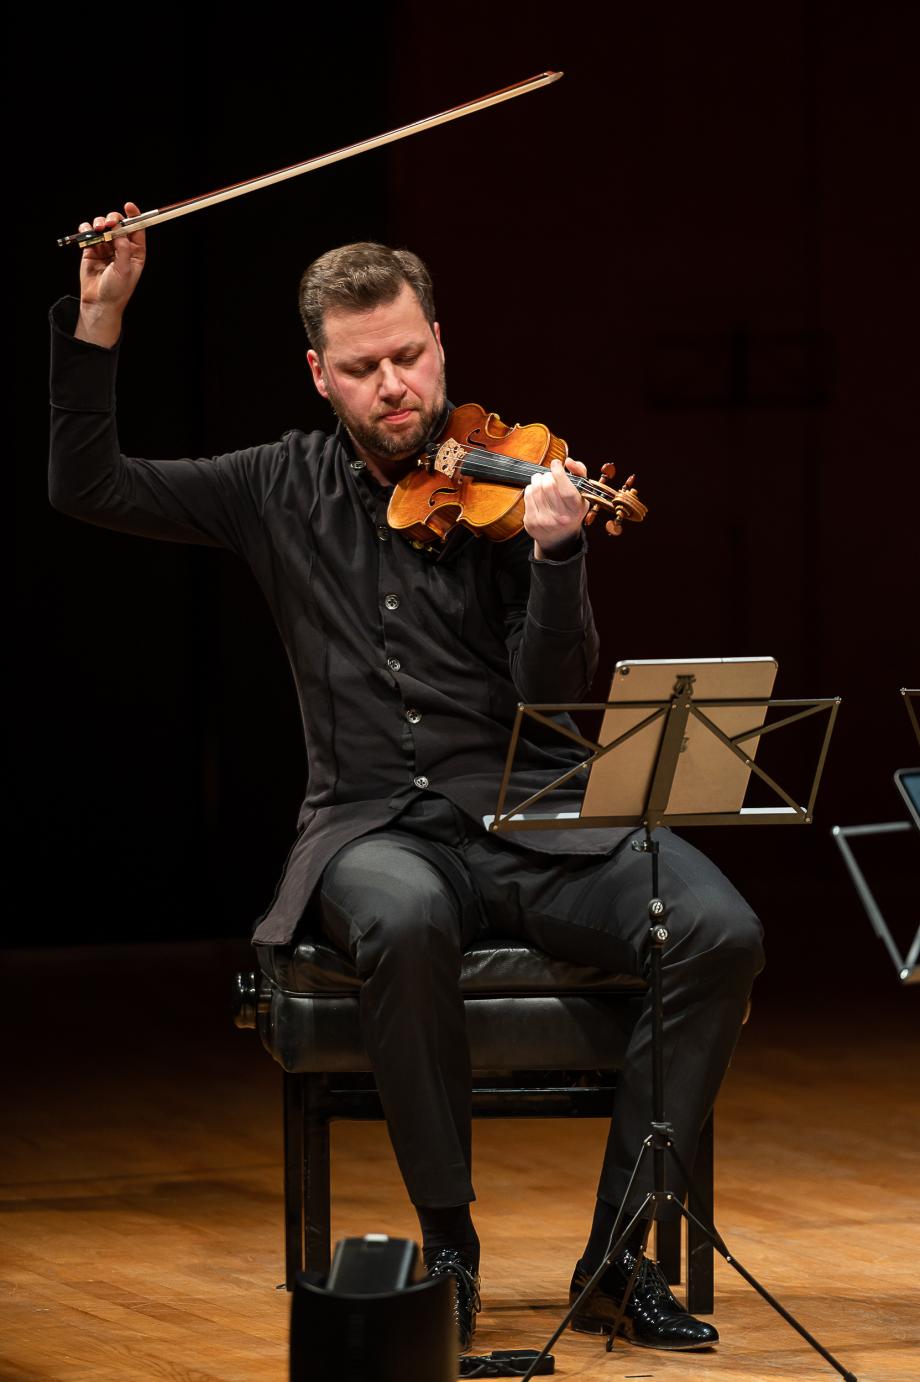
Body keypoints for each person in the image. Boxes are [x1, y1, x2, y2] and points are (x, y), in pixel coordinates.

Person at [49, 204, 764, 1355]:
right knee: (405, 910)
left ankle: (616, 1251)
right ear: (319, 375)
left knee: (719, 928)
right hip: (372, 827)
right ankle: (448, 1249)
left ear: (439, 338)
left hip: (533, 817)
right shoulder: (273, 487)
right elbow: (89, 483)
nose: (396, 385)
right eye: (364, 367)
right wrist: (99, 319)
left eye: (410, 354)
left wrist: (556, 553)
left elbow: (558, 696)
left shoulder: (511, 484)